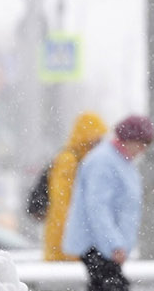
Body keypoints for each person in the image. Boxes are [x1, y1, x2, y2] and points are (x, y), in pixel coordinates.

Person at [61, 115, 154, 291]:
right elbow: (98, 207)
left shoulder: (119, 161)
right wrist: (114, 245)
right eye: (141, 143)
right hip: (96, 244)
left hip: (104, 244)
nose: (143, 150)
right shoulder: (104, 162)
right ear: (129, 139)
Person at [42, 111, 108, 261]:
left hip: (75, 237)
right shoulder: (69, 160)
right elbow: (61, 203)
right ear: (85, 135)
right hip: (64, 238)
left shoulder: (85, 160)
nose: (98, 141)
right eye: (95, 136)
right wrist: (70, 235)